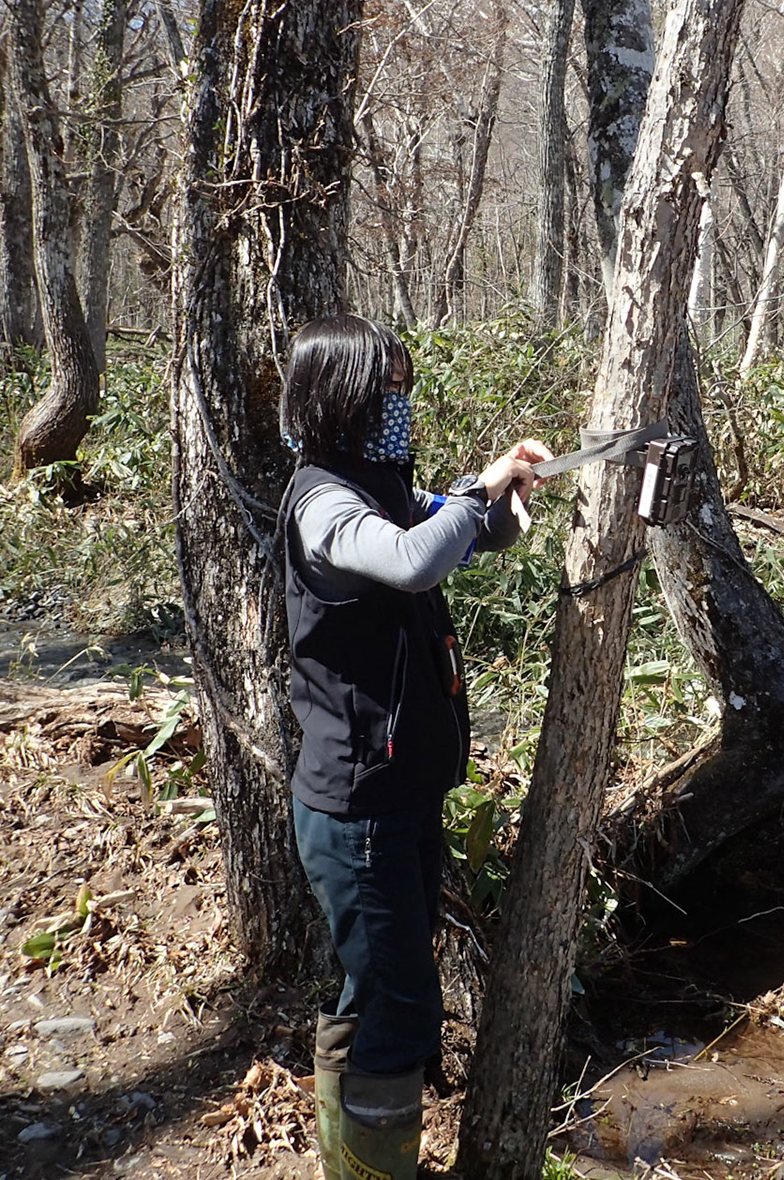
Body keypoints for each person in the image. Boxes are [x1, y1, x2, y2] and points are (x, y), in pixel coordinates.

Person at [278, 314, 547, 1180]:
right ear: (343, 395)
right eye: (388, 389)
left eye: (405, 386)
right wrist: (471, 500)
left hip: (398, 795)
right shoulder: (324, 499)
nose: (402, 404)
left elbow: (464, 533)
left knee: (380, 997)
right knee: (397, 1015)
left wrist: (499, 493)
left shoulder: (383, 481)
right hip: (357, 807)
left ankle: (353, 1163)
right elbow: (409, 561)